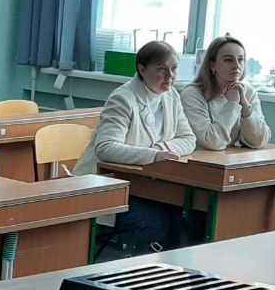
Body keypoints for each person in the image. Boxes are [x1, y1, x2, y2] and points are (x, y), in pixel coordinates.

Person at [74, 40, 197, 252]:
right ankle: (143, 270)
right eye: (162, 69)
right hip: (105, 186)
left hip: (145, 186)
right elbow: (105, 148)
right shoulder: (123, 98)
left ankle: (168, 270)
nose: (170, 76)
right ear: (142, 69)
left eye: (174, 69)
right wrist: (153, 155)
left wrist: (160, 148)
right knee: (156, 224)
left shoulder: (171, 96)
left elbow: (188, 138)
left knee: (188, 217)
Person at [181, 35, 271, 151]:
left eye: (240, 59)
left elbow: (259, 141)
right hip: (198, 159)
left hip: (228, 158)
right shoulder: (192, 94)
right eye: (228, 60)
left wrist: (245, 105)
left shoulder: (247, 92)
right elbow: (212, 142)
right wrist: (233, 104)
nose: (237, 66)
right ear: (212, 65)